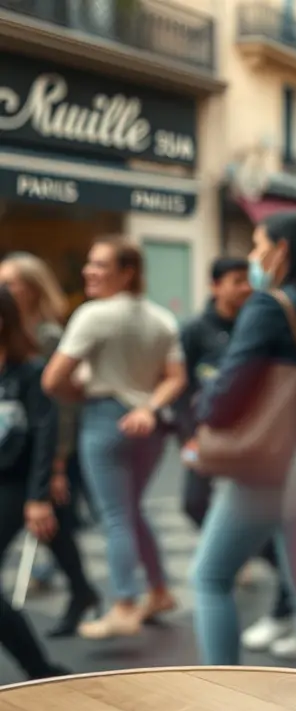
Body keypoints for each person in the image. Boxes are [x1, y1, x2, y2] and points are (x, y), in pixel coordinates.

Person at [189, 211, 296, 669]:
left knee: (210, 577)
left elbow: (232, 383)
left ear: (282, 251)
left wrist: (203, 408)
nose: (254, 258)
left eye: (259, 246)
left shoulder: (269, 306)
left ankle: (225, 698)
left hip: (267, 468)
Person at [42, 237, 186, 640]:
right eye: (90, 263)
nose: (90, 271)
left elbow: (52, 379)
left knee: (117, 516)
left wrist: (82, 392)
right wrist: (148, 408)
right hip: (147, 427)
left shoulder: (94, 315)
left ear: (127, 272)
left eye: (101, 265)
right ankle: (158, 592)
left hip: (105, 420)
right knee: (133, 510)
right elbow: (176, 378)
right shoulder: (161, 318)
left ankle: (124, 603)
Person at [0, 253, 101, 638]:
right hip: (22, 452)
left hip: (53, 451)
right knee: (52, 527)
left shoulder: (46, 337)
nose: (6, 289)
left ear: (31, 287)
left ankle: (80, 592)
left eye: (12, 282)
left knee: (52, 521)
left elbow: (60, 407)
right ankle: (81, 591)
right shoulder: (15, 332)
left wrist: (58, 464)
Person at [0, 286, 70, 679]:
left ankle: (40, 670)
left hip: (13, 485)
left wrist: (38, 497)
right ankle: (41, 669)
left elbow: (46, 434)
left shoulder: (29, 372)